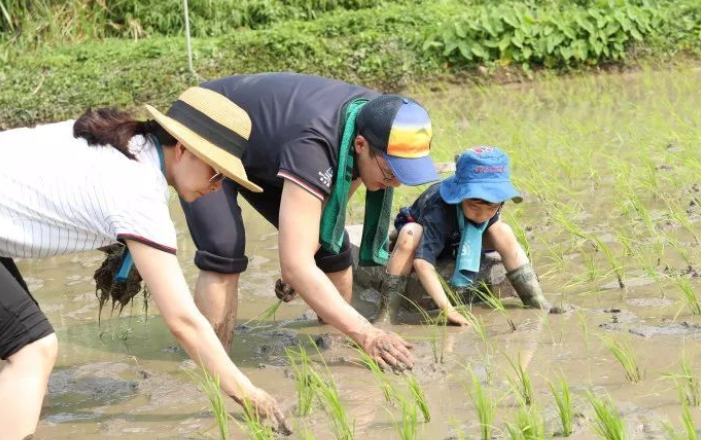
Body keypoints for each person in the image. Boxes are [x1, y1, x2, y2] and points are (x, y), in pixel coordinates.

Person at [0, 87, 287, 440]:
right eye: (217, 173)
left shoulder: (127, 144)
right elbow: (183, 321)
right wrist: (248, 393)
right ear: (183, 150)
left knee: (22, 362)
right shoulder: (138, 191)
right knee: (33, 350)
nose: (219, 186)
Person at [179, 73, 440, 370]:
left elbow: (331, 209)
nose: (395, 183)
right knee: (223, 248)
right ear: (360, 145)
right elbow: (296, 264)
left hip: (268, 146)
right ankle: (213, 369)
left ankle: (334, 350)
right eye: (391, 172)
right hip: (209, 126)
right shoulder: (315, 145)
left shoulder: (378, 117)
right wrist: (367, 331)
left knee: (332, 246)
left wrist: (303, 261)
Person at [379, 146, 561, 326]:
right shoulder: (439, 209)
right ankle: (386, 314)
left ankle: (535, 299)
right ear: (459, 196)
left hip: (461, 238)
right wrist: (447, 309)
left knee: (503, 230)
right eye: (474, 207)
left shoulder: (491, 207)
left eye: (491, 208)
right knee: (410, 233)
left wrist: (487, 214)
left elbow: (491, 222)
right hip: (428, 235)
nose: (482, 215)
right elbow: (422, 263)